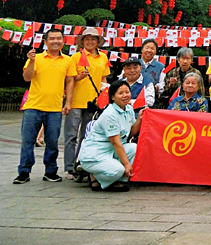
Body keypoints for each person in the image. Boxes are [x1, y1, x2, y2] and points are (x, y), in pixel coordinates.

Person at [14, 28, 76, 185]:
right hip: (33, 106)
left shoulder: (68, 60)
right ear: (45, 42)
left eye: (59, 38)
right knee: (27, 141)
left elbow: (70, 81)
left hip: (54, 108)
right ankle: (24, 172)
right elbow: (27, 77)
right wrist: (32, 61)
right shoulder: (36, 57)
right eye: (52, 38)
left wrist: (68, 102)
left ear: (63, 41)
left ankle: (50, 171)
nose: (56, 41)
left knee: (53, 142)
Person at [79, 80, 142, 192]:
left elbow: (131, 132)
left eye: (127, 92)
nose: (125, 95)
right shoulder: (110, 114)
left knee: (134, 147)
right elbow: (115, 142)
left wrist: (140, 119)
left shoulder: (128, 109)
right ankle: (94, 176)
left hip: (111, 151)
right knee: (118, 170)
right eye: (120, 93)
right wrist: (127, 165)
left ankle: (118, 181)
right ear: (112, 97)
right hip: (96, 153)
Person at [64, 27, 110, 180]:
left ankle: (81, 164)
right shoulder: (75, 57)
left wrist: (105, 98)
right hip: (76, 101)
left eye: (93, 39)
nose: (90, 41)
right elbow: (69, 79)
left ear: (98, 42)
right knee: (71, 135)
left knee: (88, 136)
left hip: (94, 103)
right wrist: (79, 77)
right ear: (82, 41)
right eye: (87, 39)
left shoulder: (103, 58)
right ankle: (69, 168)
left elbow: (104, 79)